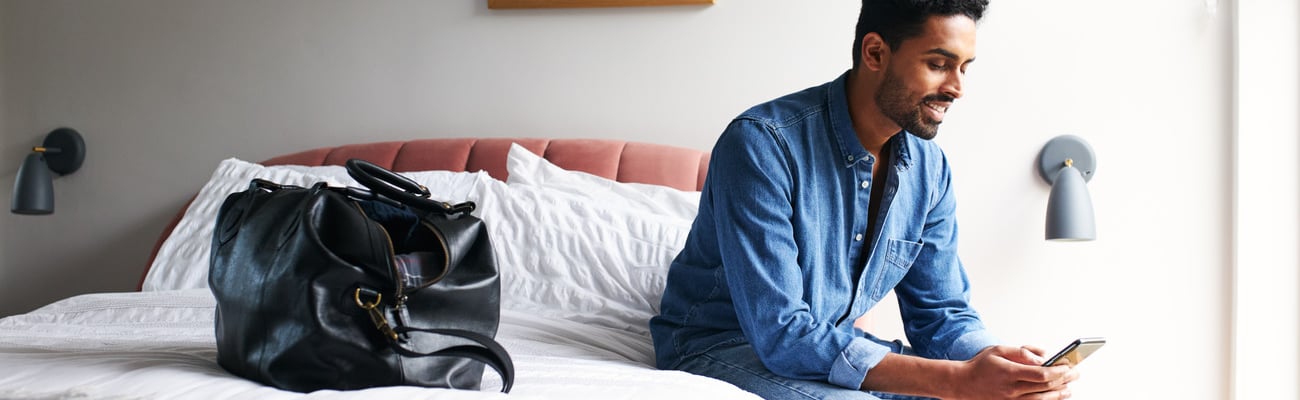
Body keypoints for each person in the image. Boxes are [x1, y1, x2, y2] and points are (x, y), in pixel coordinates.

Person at [649, 1, 1081, 399]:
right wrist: (956, 380)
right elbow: (780, 332)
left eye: (965, 68)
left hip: (827, 344)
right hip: (721, 344)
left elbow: (941, 313)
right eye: (938, 64)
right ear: (875, 53)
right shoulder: (762, 145)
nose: (957, 87)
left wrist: (996, 363)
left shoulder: (930, 171)